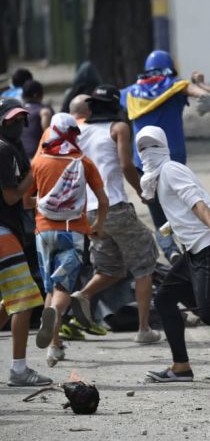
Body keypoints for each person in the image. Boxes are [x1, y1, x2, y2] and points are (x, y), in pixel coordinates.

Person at [135, 126, 210, 382]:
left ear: (165, 147)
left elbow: (195, 201)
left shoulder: (171, 170)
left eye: (153, 146)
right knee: (164, 298)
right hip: (193, 250)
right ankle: (181, 366)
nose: (148, 152)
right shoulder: (159, 177)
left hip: (207, 245)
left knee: (207, 312)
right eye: (141, 148)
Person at [68, 85, 161, 344]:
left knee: (113, 268)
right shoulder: (118, 128)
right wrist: (143, 191)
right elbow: (126, 164)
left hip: (88, 210)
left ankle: (83, 295)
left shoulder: (81, 131)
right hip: (115, 206)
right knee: (145, 262)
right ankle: (144, 329)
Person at [121, 49, 210, 263]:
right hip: (173, 163)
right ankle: (189, 254)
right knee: (183, 212)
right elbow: (207, 98)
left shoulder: (130, 92)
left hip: (143, 164)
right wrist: (199, 86)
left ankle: (171, 251)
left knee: (159, 218)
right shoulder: (176, 87)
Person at [27, 113, 108, 367]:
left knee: (51, 288)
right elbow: (103, 200)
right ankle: (54, 315)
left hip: (43, 232)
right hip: (74, 232)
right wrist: (98, 226)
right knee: (62, 288)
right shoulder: (83, 162)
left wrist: (43, 204)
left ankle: (54, 346)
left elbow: (24, 200)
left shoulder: (38, 162)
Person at [0, 98, 52, 386]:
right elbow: (10, 196)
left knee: (8, 301)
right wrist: (31, 177)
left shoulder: (9, 148)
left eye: (21, 119)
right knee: (25, 300)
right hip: (3, 235)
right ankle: (19, 370)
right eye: (10, 120)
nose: (17, 124)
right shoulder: (3, 149)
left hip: (7, 232)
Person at [20, 80, 53, 159]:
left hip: (19, 155)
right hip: (36, 155)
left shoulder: (17, 110)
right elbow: (45, 114)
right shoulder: (43, 110)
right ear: (36, 95)